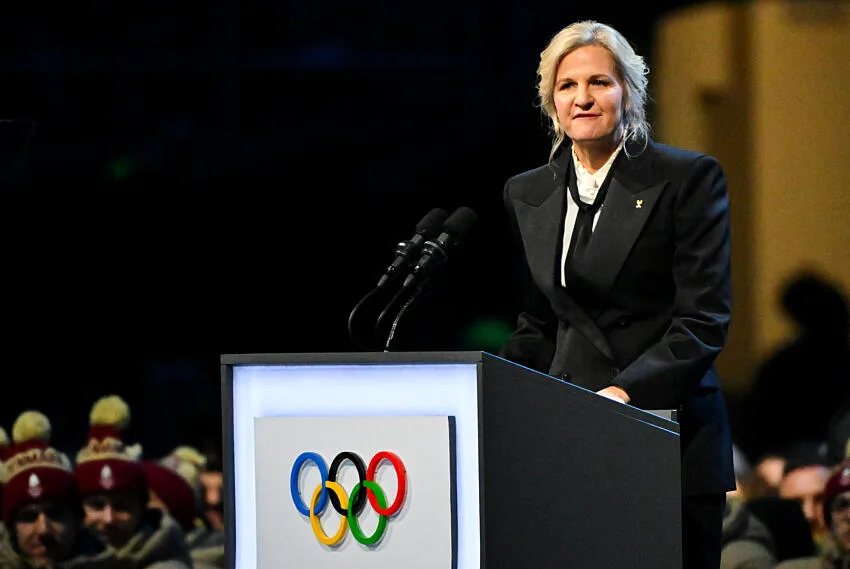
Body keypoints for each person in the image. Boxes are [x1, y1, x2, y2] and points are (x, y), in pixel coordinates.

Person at [498, 19, 734, 569]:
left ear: (629, 91)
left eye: (599, 83)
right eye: (567, 85)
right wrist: (495, 388)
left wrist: (623, 395)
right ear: (551, 102)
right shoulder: (526, 191)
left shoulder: (687, 178)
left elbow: (702, 322)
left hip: (665, 433)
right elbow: (540, 324)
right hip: (567, 440)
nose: (582, 98)